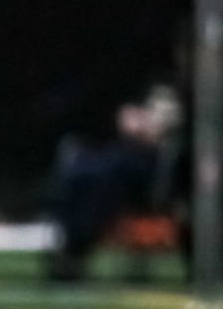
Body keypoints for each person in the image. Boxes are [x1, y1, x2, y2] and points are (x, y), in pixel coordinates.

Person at [45, 83, 187, 283]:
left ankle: (73, 250)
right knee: (86, 174)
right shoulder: (138, 107)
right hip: (120, 164)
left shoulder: (180, 119)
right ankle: (71, 244)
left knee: (103, 176)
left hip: (143, 175)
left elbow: (161, 144)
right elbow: (127, 126)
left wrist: (150, 131)